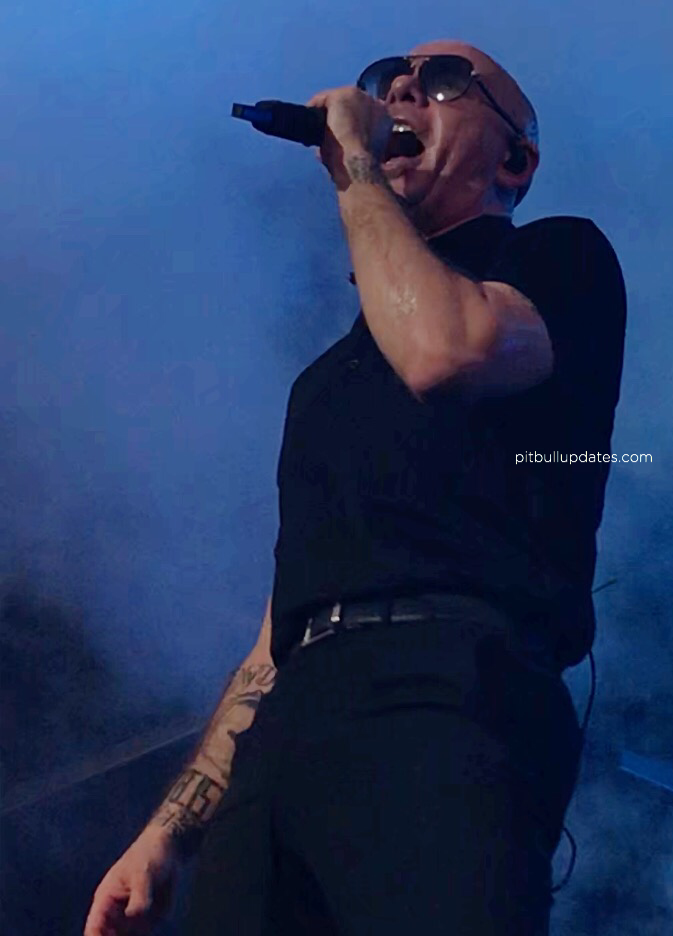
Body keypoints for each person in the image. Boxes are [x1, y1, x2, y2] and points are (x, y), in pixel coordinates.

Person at [84, 37, 626, 936]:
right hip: (289, 726)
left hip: (448, 688)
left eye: (444, 82)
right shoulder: (327, 383)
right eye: (388, 79)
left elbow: (446, 350)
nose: (402, 86)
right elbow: (284, 625)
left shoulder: (557, 258)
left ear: (515, 161)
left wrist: (356, 168)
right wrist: (167, 834)